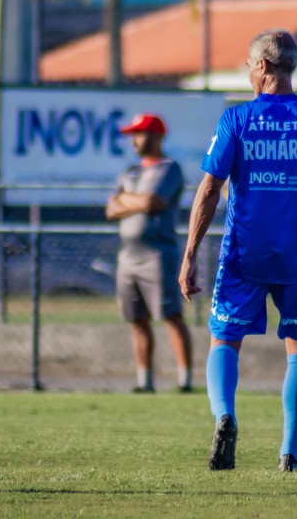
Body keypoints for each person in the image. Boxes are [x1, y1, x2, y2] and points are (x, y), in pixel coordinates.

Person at [179, 29, 297, 472]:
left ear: (261, 66)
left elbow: (208, 191)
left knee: (225, 339)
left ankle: (225, 416)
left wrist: (189, 255)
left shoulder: (236, 121)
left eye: (247, 65)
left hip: (244, 252)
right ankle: (291, 455)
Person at [106, 113, 193, 393]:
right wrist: (133, 202)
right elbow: (110, 209)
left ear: (156, 137)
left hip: (157, 254)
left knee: (170, 316)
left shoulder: (169, 168)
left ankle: (185, 380)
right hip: (127, 257)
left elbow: (154, 202)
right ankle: (144, 381)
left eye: (140, 134)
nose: (135, 140)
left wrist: (124, 200)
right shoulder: (130, 171)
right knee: (137, 319)